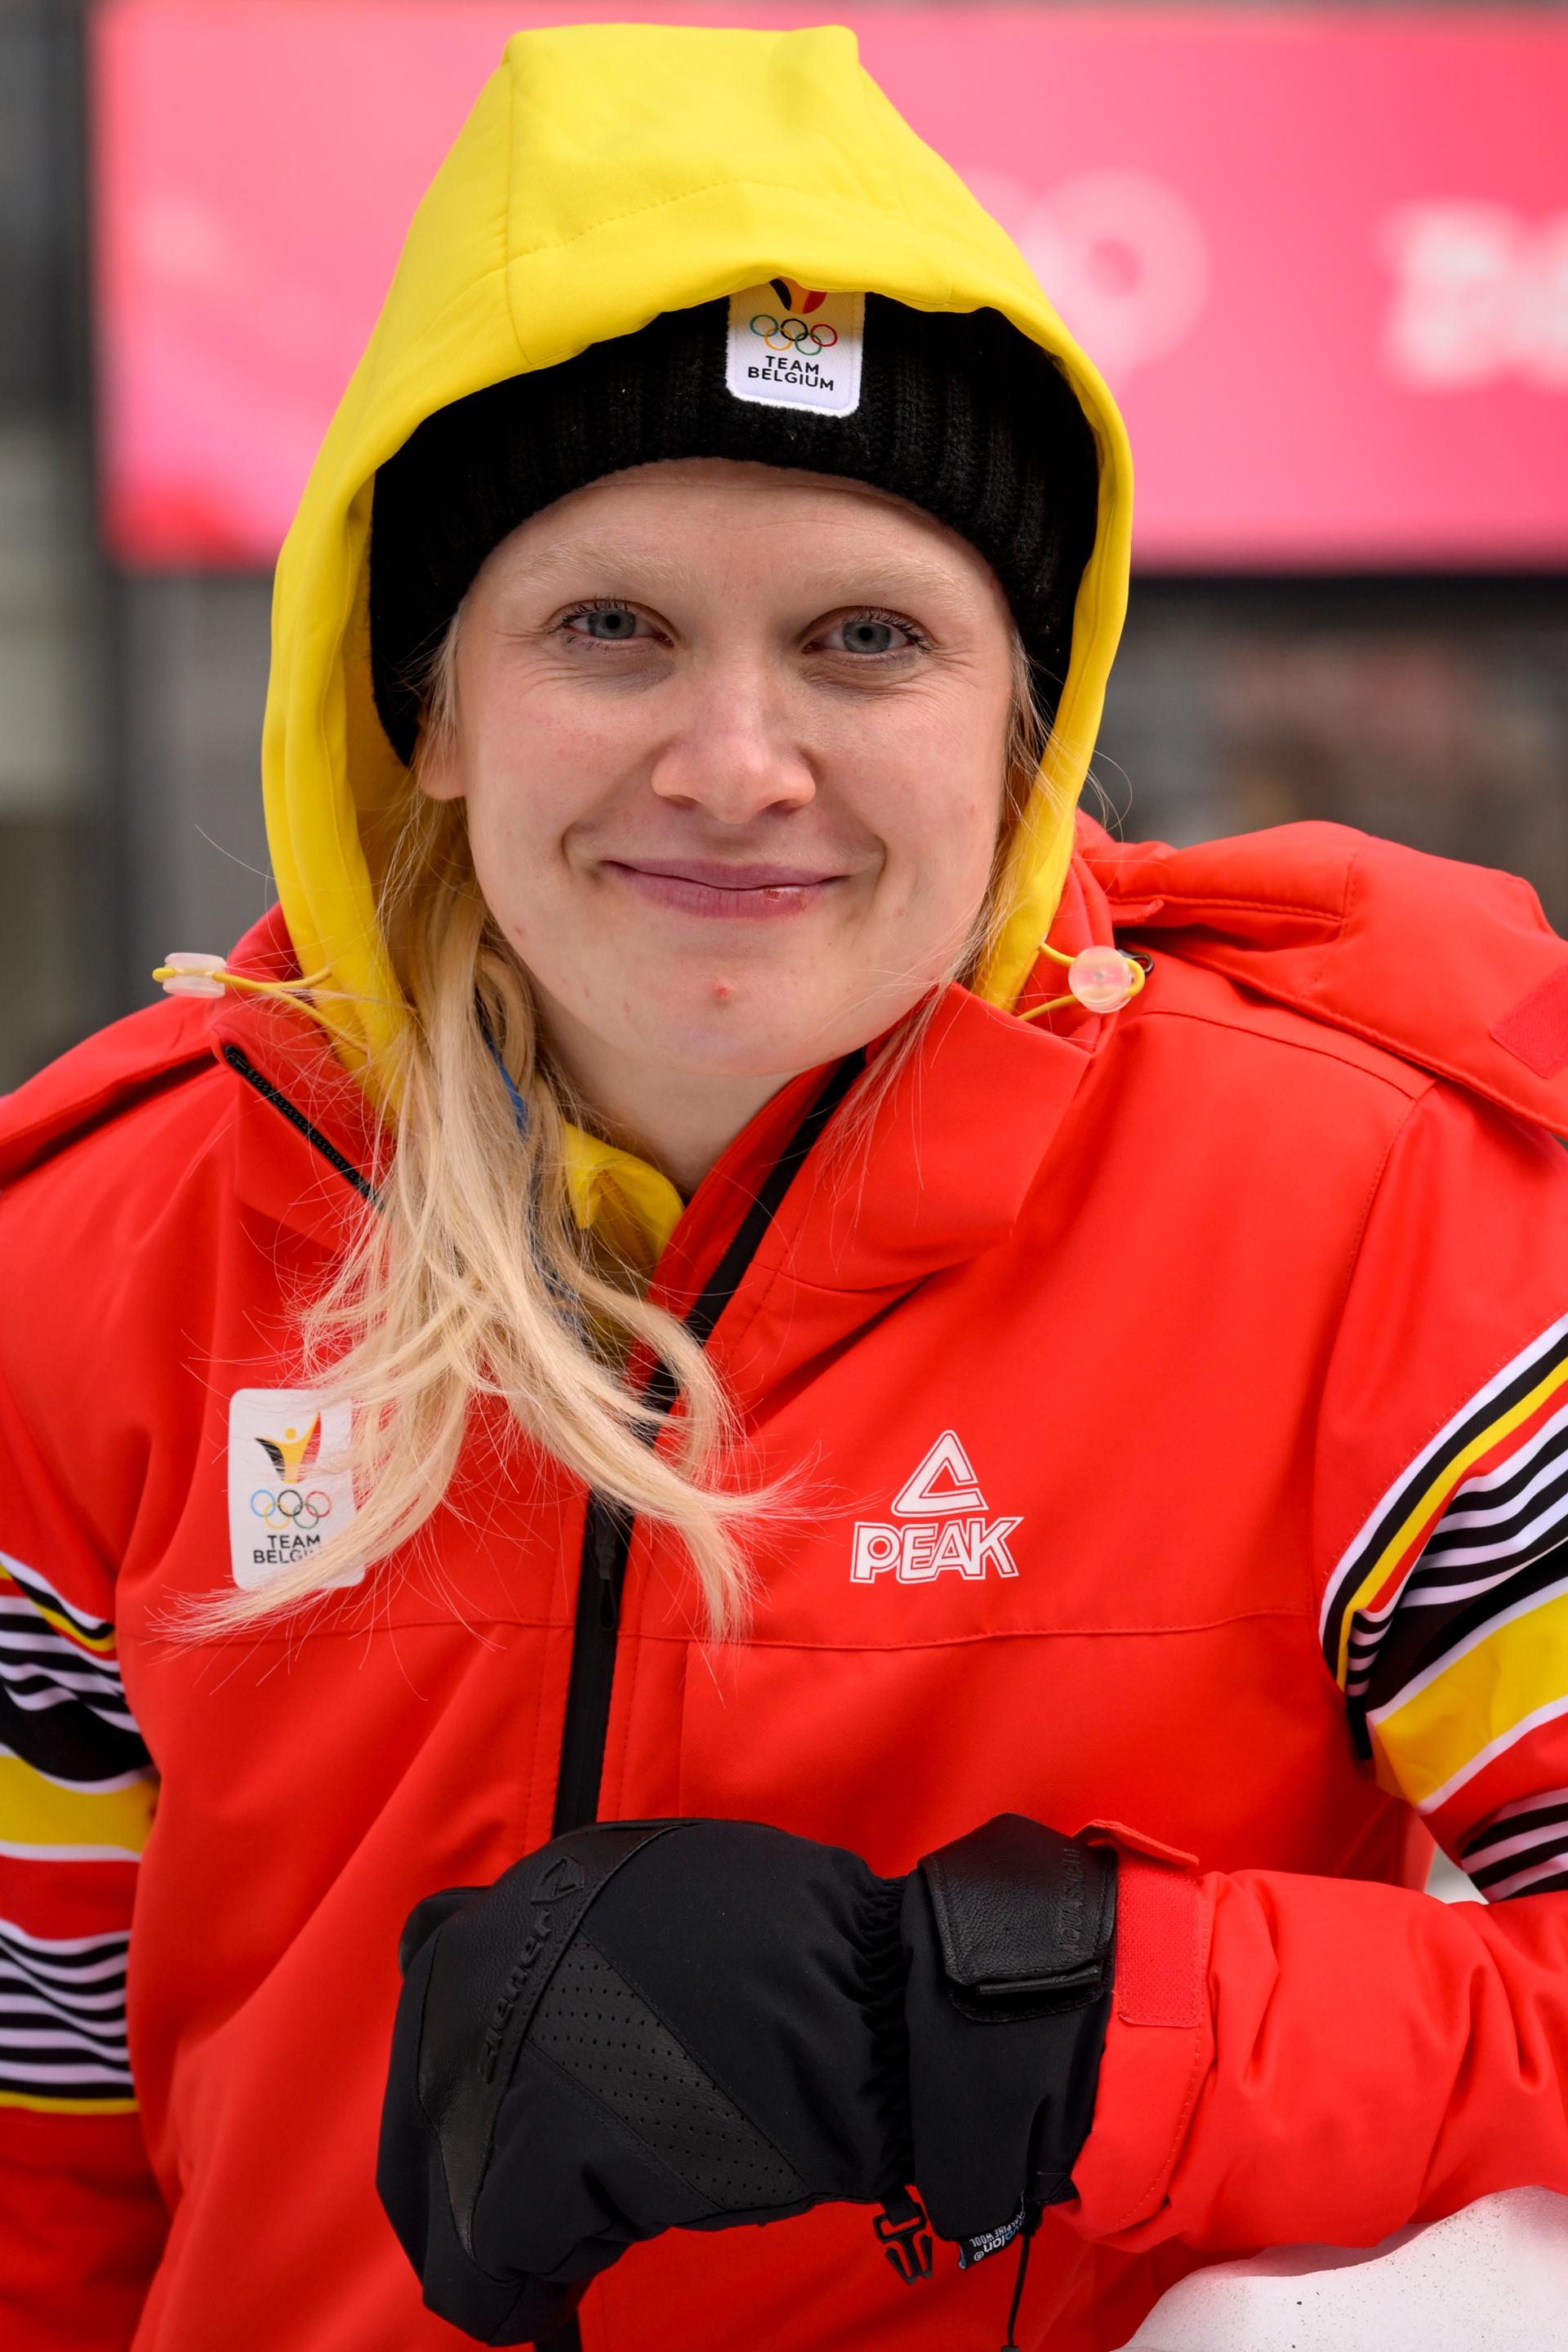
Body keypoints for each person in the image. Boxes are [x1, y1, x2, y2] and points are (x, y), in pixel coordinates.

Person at [4, 22, 1568, 2352]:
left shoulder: (1366, 1210)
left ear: (1022, 717)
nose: (736, 765)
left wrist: (997, 2026)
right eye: (606, 627)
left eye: (867, 640)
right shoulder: (99, 1260)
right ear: (420, 707)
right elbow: (37, 2158)